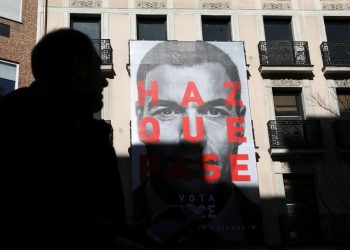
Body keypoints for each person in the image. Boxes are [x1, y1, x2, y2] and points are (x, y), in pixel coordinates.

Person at [0, 29, 133, 249]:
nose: (105, 82)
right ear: (78, 66)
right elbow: (49, 213)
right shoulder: (38, 119)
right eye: (98, 68)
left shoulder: (20, 112)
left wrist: (126, 231)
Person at [132, 41, 262, 246]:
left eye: (215, 112)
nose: (192, 136)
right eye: (166, 112)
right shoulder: (126, 222)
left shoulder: (254, 218)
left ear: (241, 122)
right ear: (141, 120)